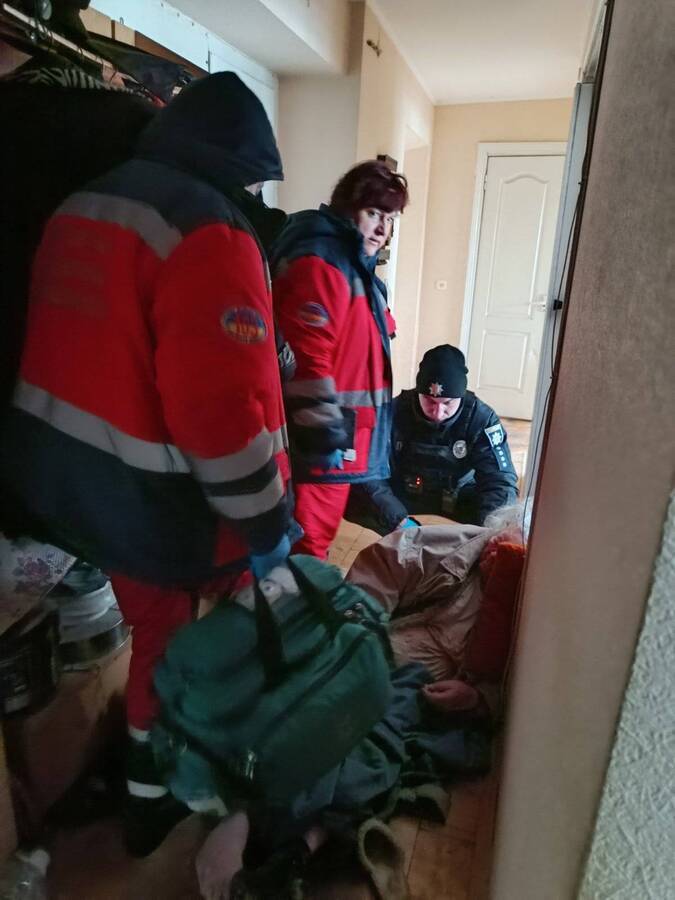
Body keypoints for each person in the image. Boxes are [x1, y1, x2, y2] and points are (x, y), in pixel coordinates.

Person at [0, 72, 295, 854]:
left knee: (140, 628)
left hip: (51, 481)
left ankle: (133, 765)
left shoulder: (85, 201)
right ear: (242, 164)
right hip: (140, 501)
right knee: (167, 645)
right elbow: (222, 417)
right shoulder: (210, 232)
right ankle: (150, 800)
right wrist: (266, 525)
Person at [272, 160, 409, 558]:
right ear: (347, 209)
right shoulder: (322, 263)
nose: (382, 229)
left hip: (344, 436)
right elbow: (308, 353)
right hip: (322, 438)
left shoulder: (357, 270)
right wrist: (321, 430)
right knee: (308, 543)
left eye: (390, 219)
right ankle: (296, 596)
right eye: (374, 213)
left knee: (316, 538)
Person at [347, 344, 518, 530]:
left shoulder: (482, 419)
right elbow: (368, 470)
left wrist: (489, 531)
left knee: (500, 513)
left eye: (447, 403)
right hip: (404, 497)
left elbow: (500, 480)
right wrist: (398, 521)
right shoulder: (394, 411)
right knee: (354, 493)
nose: (438, 412)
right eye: (429, 401)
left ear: (461, 396)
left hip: (458, 497)